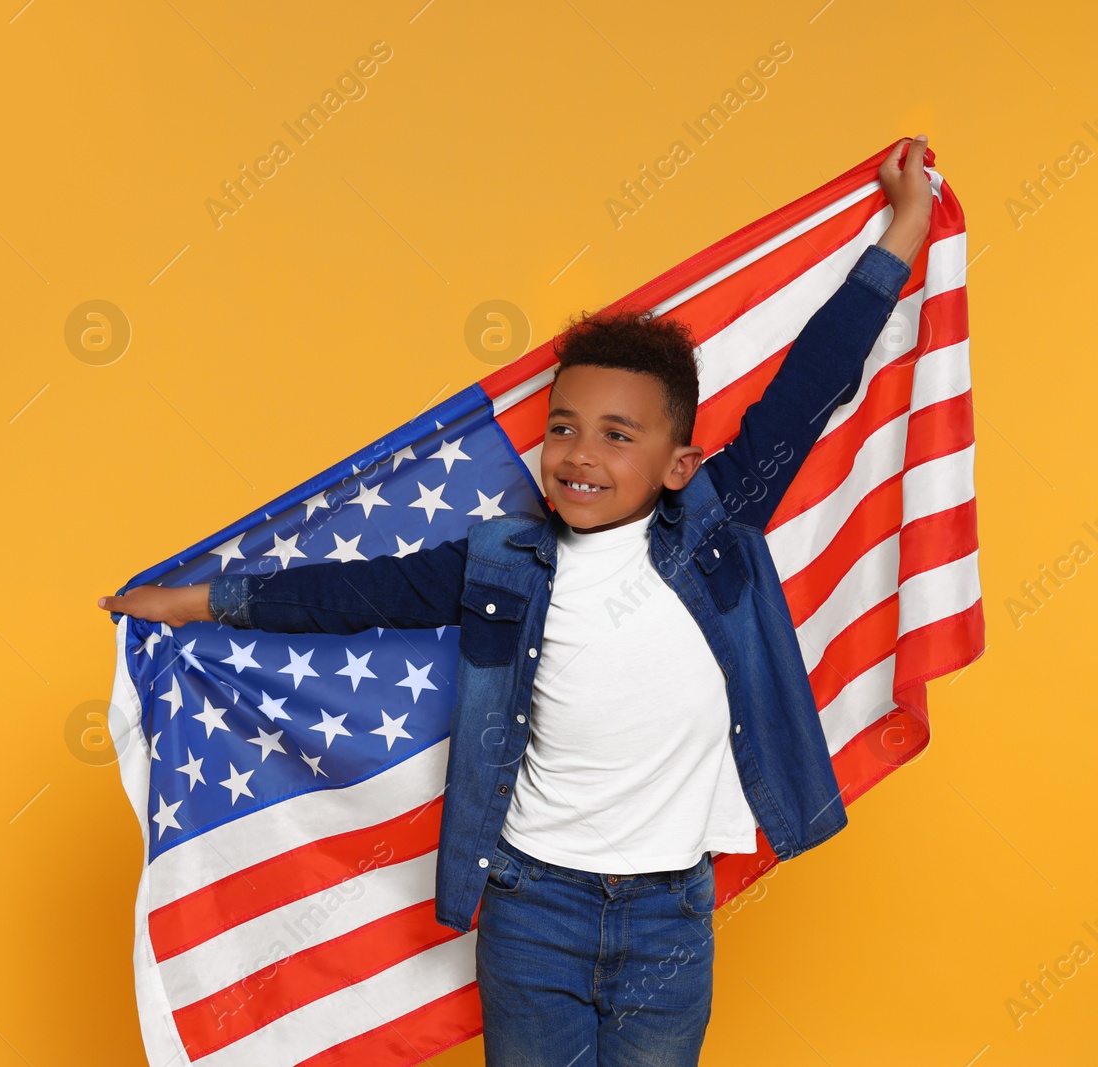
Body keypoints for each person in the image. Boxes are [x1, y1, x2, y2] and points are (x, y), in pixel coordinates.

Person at [99, 136, 936, 1066]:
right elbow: (357, 593)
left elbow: (809, 387)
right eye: (564, 428)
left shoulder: (718, 529)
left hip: (669, 913)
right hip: (535, 905)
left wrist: (903, 229)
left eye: (618, 436)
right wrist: (200, 601)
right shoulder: (507, 561)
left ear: (678, 465)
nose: (579, 454)